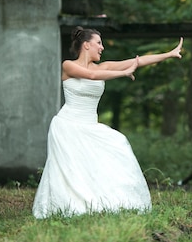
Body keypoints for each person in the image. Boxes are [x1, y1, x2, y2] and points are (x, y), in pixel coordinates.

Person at [32, 27, 183, 218]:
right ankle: (67, 206)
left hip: (90, 126)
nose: (102, 48)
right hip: (67, 125)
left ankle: (101, 201)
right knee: (71, 169)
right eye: (98, 43)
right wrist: (123, 73)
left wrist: (169, 54)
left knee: (117, 145)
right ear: (86, 45)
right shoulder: (68, 65)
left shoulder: (103, 67)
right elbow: (91, 77)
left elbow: (138, 61)